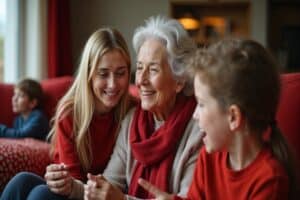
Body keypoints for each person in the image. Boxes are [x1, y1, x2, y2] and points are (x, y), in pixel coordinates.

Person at [137, 39, 297, 200]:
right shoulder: (209, 158)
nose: (195, 114)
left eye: (201, 104)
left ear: (233, 117)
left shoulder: (270, 180)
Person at [0, 27, 134, 200]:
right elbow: (72, 181)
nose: (113, 84)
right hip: (73, 188)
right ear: (89, 74)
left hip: (100, 193)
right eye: (103, 74)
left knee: (40, 194)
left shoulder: (133, 112)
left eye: (120, 73)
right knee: (21, 181)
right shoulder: (70, 113)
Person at [84, 15, 203, 200]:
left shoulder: (199, 128)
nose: (141, 81)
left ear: (179, 81)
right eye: (139, 68)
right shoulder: (132, 120)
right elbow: (109, 185)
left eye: (153, 69)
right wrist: (76, 187)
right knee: (30, 185)